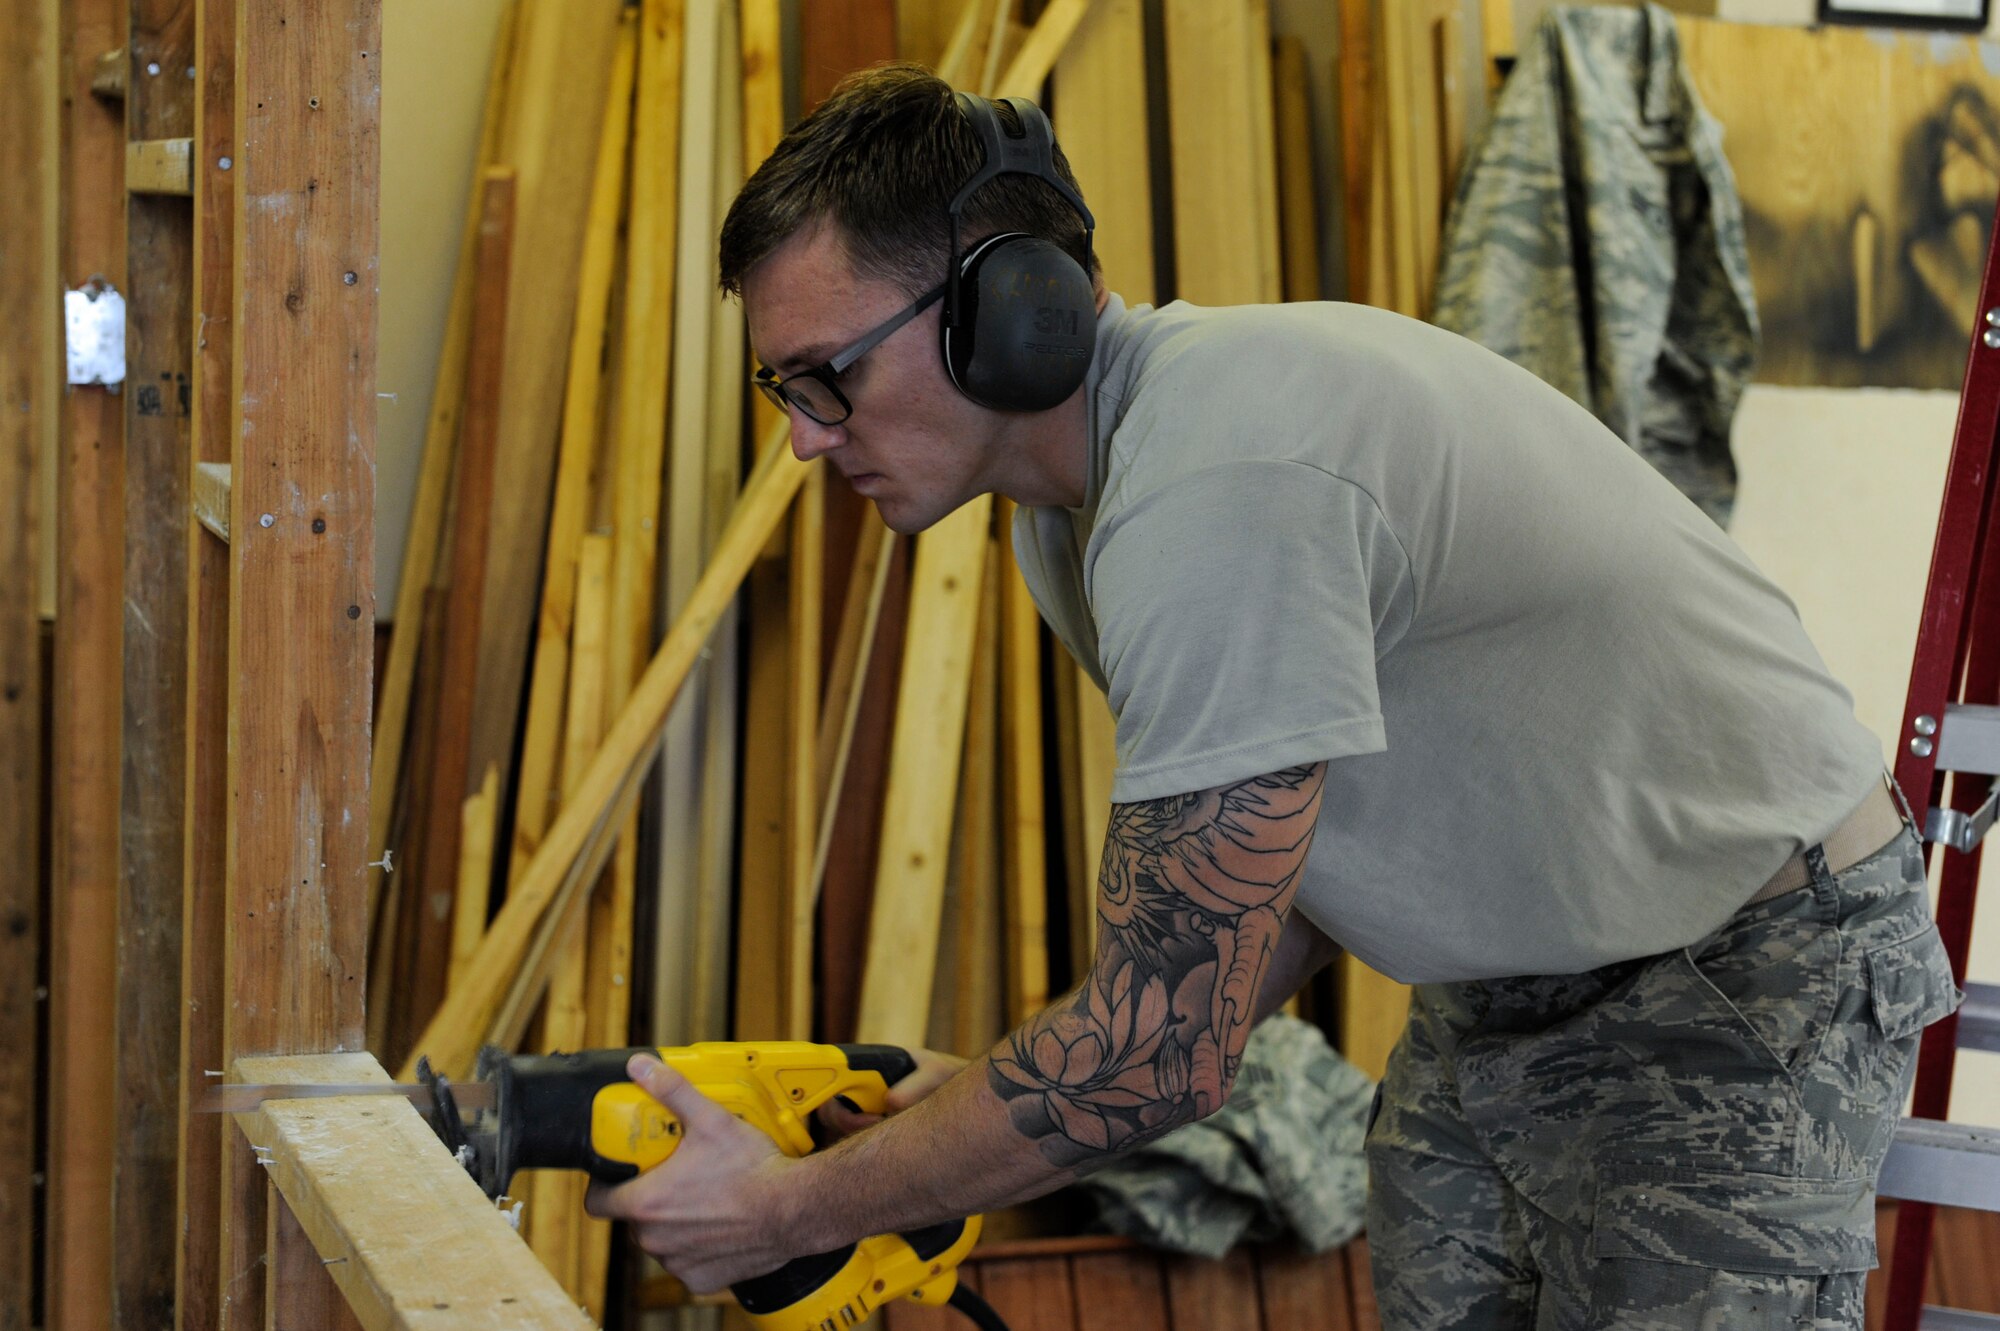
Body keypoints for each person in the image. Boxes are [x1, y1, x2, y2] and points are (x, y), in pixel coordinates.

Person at [587, 64, 1963, 1329]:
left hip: (1739, 962)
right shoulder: (1071, 514)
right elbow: (1267, 885)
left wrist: (786, 1212)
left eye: (830, 376)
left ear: (1010, 317)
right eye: (785, 384)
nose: (805, 435)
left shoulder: (1214, 482)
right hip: (1507, 984)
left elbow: (1157, 1053)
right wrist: (1001, 1108)